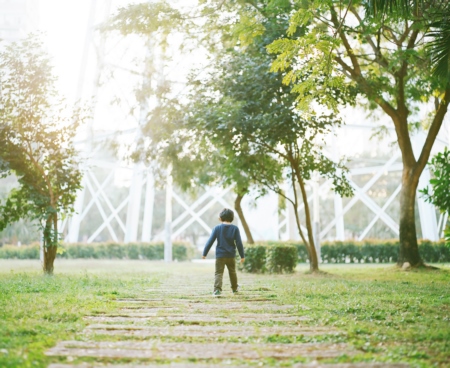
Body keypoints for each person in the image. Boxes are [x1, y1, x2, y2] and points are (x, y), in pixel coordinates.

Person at [202, 208, 245, 296]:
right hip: (231, 255)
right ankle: (234, 289)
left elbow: (210, 241)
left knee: (219, 273)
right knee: (232, 272)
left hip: (220, 255)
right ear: (232, 218)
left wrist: (204, 253)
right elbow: (239, 243)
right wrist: (242, 255)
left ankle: (217, 290)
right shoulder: (235, 228)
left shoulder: (217, 228)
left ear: (221, 218)